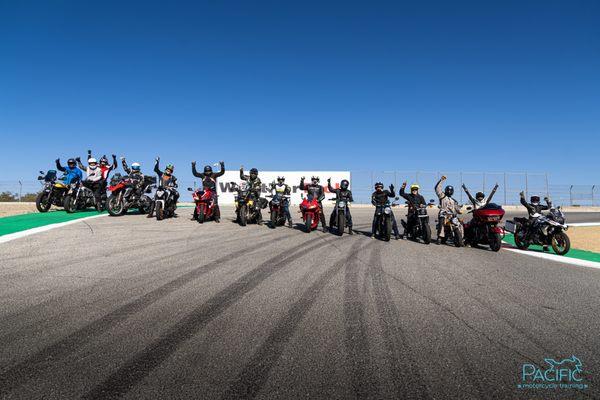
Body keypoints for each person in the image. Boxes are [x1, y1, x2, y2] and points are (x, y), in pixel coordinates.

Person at [434, 175, 463, 244]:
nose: (449, 191)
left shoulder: (454, 200)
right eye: (448, 190)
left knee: (460, 223)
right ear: (446, 190)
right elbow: (437, 188)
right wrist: (442, 180)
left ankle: (461, 238)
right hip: (443, 213)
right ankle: (439, 237)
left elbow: (457, 208)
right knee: (441, 222)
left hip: (452, 215)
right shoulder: (442, 196)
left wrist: (459, 211)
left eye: (451, 190)